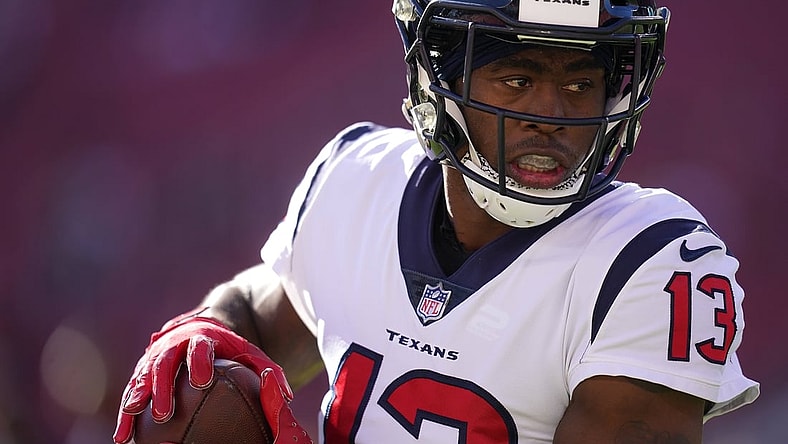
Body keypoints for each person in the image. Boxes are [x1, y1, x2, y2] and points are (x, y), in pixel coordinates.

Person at [113, 1, 760, 442]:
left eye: (580, 82)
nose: (552, 112)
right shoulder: (358, 175)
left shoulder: (653, 259)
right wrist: (207, 332)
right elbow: (258, 311)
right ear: (437, 78)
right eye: (517, 77)